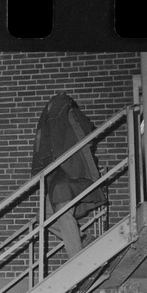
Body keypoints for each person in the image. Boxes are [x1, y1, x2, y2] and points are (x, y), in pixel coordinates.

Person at [31, 93, 106, 259]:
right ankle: (84, 240)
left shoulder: (72, 116)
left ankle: (78, 259)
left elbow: (87, 135)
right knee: (44, 216)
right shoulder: (55, 124)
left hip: (71, 175)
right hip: (59, 176)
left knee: (63, 214)